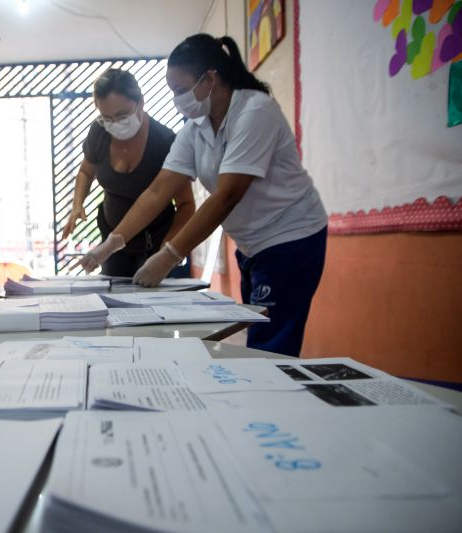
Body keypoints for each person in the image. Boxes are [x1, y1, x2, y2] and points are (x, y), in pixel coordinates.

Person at [79, 34, 328, 357]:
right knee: (260, 333)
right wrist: (111, 244)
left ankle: (269, 401)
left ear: (209, 79)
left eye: (181, 90)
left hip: (290, 237)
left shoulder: (255, 111)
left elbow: (227, 196)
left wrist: (169, 254)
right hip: (252, 245)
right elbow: (158, 189)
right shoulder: (196, 129)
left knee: (272, 346)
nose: (176, 100)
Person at [63, 69, 195, 276]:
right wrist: (77, 204)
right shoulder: (99, 132)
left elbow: (186, 205)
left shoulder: (164, 143)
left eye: (122, 115)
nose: (114, 124)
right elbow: (86, 171)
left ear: (141, 102)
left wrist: (167, 252)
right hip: (111, 243)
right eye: (106, 117)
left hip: (155, 244)